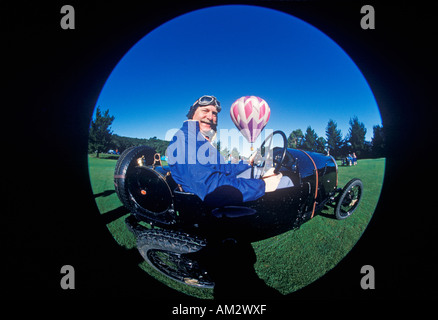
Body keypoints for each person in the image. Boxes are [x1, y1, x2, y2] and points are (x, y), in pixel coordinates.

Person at [166, 95, 286, 205]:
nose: (210, 117)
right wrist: (263, 185)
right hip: (206, 207)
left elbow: (223, 169)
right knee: (285, 182)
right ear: (192, 114)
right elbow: (210, 187)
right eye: (205, 111)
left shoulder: (201, 140)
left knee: (265, 173)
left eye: (214, 114)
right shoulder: (185, 139)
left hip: (212, 200)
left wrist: (247, 163)